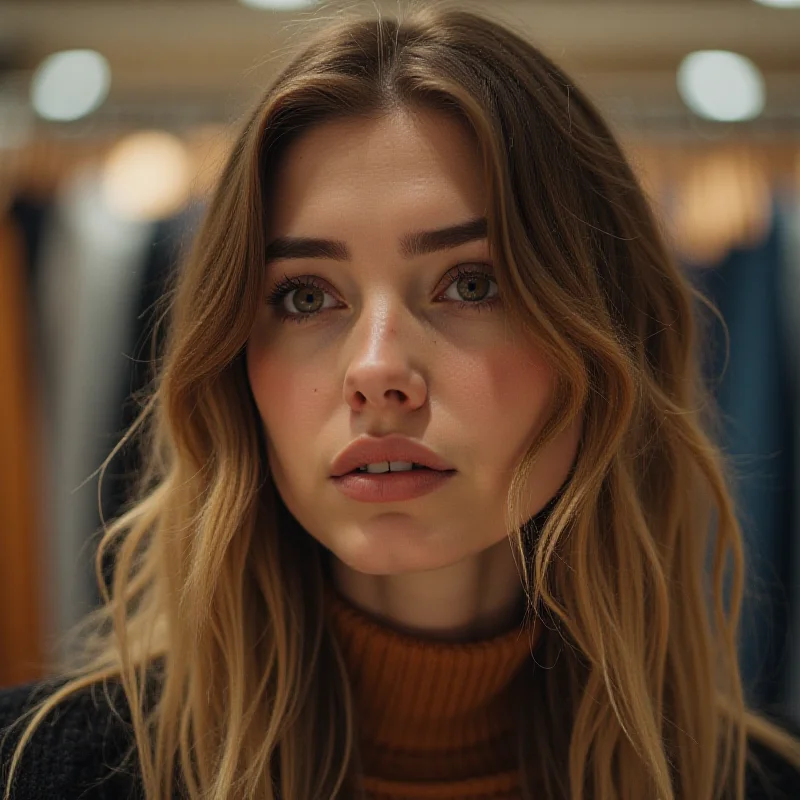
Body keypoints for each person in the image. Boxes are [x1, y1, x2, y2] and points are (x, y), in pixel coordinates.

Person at [2, 5, 800, 799]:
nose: (378, 369)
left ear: (607, 341)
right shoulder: (38, 773)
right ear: (234, 360)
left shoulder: (752, 783)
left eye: (473, 284)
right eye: (307, 296)